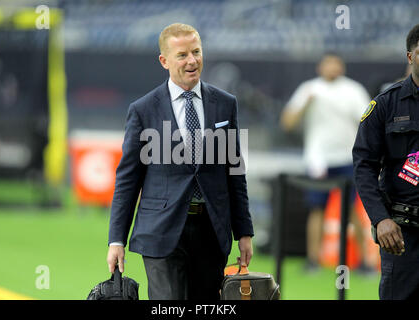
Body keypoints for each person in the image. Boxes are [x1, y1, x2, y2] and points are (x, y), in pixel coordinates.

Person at [106, 23, 254, 300]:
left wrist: (244, 231)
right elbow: (128, 180)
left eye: (196, 52)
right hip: (160, 232)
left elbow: (236, 171)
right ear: (164, 61)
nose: (192, 61)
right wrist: (117, 240)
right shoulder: (142, 110)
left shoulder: (225, 103)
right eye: (183, 55)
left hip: (212, 232)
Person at [280, 53, 373, 272]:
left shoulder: (353, 90)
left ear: (341, 66)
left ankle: (363, 263)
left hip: (347, 158)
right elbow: (287, 123)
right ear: (320, 66)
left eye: (335, 63)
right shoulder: (309, 89)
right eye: (328, 63)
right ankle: (313, 260)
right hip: (318, 159)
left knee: (351, 209)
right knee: (317, 208)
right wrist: (306, 105)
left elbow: (367, 122)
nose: (331, 67)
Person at [353, 24, 419, 299]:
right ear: (410, 57)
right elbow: (364, 165)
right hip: (403, 234)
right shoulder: (385, 105)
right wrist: (380, 219)